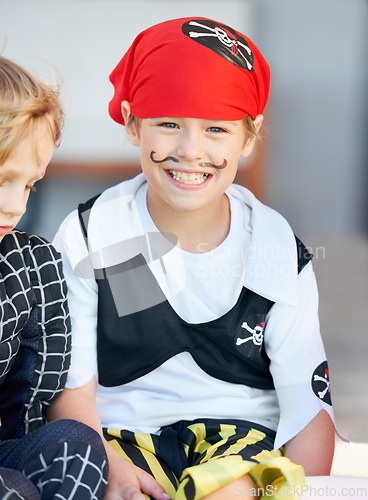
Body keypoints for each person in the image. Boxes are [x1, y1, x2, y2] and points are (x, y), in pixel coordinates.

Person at [50, 17, 336, 500]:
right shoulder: (97, 232)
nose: (190, 151)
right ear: (132, 122)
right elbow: (70, 389)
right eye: (168, 124)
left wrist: (308, 490)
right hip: (117, 440)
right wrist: (106, 464)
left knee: (231, 491)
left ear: (249, 137)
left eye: (216, 130)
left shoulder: (273, 248)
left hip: (242, 446)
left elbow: (308, 410)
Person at [0, 55, 108, 500]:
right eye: (3, 178)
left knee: (75, 447)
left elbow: (38, 395)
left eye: (29, 185)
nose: (15, 205)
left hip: (7, 450)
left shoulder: (32, 264)